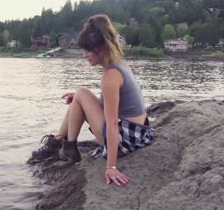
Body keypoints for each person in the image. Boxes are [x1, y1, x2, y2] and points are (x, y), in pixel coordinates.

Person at [31, 14, 154, 186]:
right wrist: (83, 102)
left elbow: (111, 124)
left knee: (81, 92)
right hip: (137, 132)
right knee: (79, 96)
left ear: (102, 48)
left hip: (125, 139)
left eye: (88, 50)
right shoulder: (118, 65)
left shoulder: (110, 75)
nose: (84, 55)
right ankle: (60, 143)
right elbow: (115, 105)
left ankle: (67, 147)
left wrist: (111, 166)